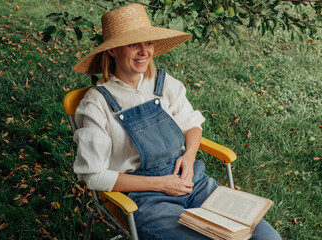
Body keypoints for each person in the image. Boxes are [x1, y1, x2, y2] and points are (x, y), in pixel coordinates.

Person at [73, 3, 281, 240]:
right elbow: (95, 176)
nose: (144, 52)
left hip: (192, 182)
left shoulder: (163, 83)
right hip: (145, 197)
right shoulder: (98, 103)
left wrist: (189, 157)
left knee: (267, 238)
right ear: (113, 50)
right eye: (133, 44)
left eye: (148, 43)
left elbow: (192, 124)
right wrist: (161, 185)